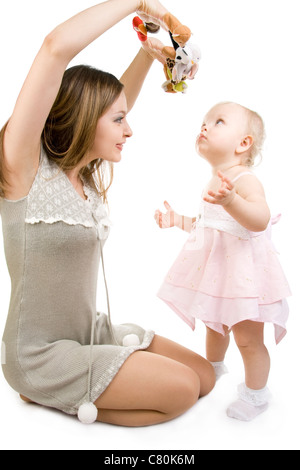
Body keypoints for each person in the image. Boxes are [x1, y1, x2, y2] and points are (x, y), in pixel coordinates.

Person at [0, 0, 215, 427]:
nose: (129, 129)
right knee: (181, 390)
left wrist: (149, 55)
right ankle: (44, 387)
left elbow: (116, 101)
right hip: (40, 353)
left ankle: (78, 385)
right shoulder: (23, 169)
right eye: (118, 120)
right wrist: (135, 2)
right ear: (84, 120)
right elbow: (54, 48)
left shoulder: (83, 176)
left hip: (90, 333)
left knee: (204, 376)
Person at [155, 101, 291, 421]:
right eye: (204, 121)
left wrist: (232, 200)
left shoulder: (244, 180)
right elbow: (209, 226)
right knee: (214, 327)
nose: (205, 126)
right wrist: (177, 220)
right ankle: (211, 369)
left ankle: (256, 395)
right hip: (219, 274)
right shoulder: (214, 181)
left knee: (247, 339)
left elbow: (260, 218)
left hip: (244, 277)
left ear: (243, 143)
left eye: (218, 122)